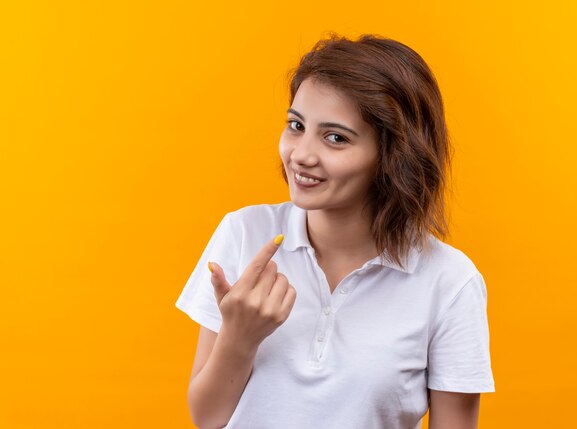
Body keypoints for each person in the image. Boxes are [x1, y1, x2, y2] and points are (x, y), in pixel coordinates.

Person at [175, 33, 495, 429]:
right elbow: (207, 417)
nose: (301, 154)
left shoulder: (449, 282)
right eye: (296, 125)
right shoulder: (244, 233)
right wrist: (239, 338)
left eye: (335, 138)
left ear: (394, 155)